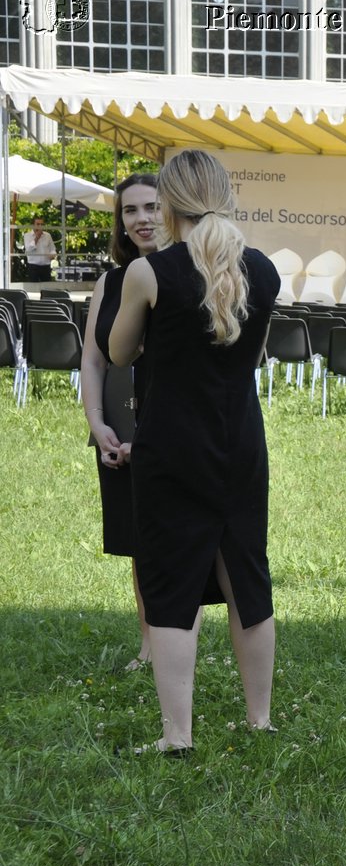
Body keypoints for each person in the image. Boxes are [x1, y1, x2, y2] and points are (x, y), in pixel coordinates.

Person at [108, 149, 279, 754]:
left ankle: (177, 736)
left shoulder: (148, 273)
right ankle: (259, 720)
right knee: (247, 580)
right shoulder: (264, 269)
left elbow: (120, 352)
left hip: (171, 445)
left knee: (170, 582)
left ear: (172, 202)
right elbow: (250, 356)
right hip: (240, 441)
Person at [81, 174, 160, 665]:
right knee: (138, 540)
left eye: (152, 207)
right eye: (130, 211)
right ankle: (151, 646)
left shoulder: (184, 274)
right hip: (119, 428)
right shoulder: (110, 282)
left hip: (174, 429)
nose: (142, 219)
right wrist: (96, 423)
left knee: (176, 539)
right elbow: (93, 360)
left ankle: (177, 643)